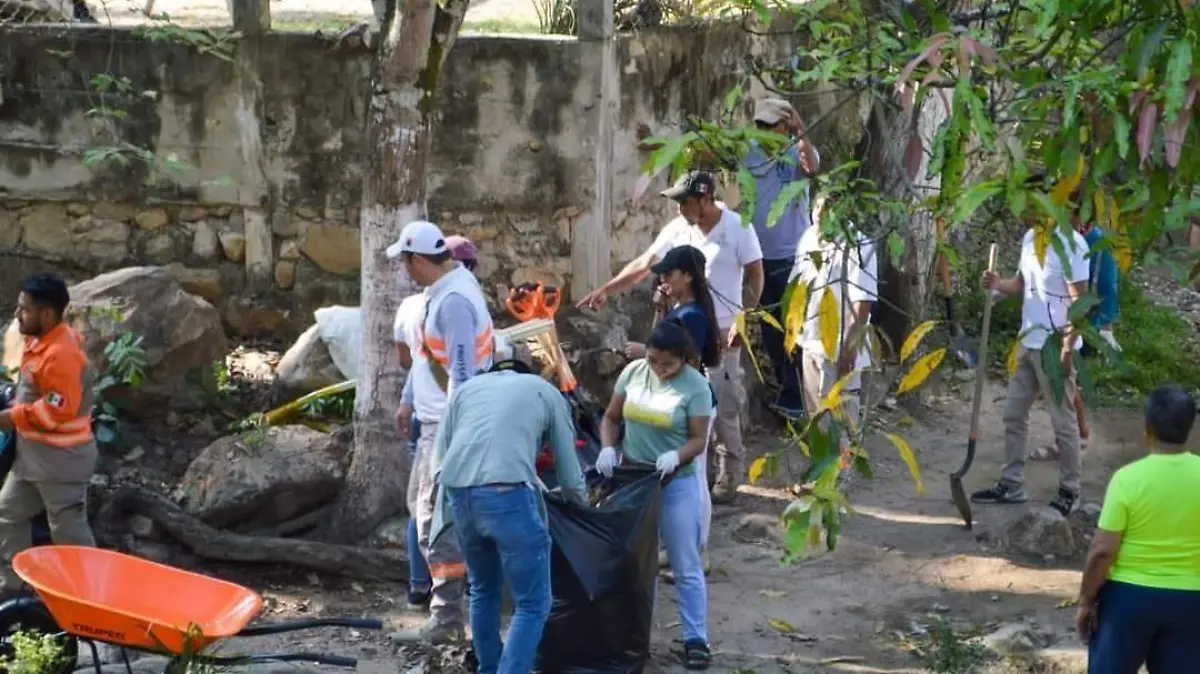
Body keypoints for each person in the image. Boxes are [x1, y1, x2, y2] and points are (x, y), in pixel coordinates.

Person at [578, 171, 764, 504]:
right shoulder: (679, 229)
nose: (680, 210)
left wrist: (743, 317)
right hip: (683, 331)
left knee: (724, 404)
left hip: (722, 331)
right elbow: (644, 262)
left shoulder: (737, 226)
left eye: (686, 202)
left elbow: (756, 275)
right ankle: (698, 472)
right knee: (688, 404)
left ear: (705, 198)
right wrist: (608, 289)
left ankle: (728, 474)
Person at [430, 341, 588, 674]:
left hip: (459, 495)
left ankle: (489, 668)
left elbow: (440, 458)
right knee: (532, 603)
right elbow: (570, 471)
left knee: (484, 590)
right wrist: (584, 508)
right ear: (526, 372)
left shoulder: (467, 390)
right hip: (507, 496)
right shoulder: (545, 391)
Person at [388, 222, 495, 645]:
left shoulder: (452, 301)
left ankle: (447, 618)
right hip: (433, 423)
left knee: (436, 522)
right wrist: (408, 399)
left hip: (448, 426)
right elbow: (425, 356)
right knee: (422, 515)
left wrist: (453, 436)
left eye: (405, 262)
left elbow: (463, 376)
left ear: (417, 260)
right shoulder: (444, 292)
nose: (405, 271)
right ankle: (447, 608)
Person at [596, 320, 715, 670]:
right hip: (634, 477)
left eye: (667, 364)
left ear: (683, 359)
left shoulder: (696, 387)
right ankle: (627, 634)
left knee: (684, 561)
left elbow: (698, 439)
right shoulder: (634, 373)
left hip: (675, 481)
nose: (659, 369)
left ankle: (696, 638)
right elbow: (611, 418)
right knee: (630, 561)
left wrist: (676, 456)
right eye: (653, 360)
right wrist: (607, 449)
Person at [1075, 385, 1200, 672]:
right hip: (1192, 600)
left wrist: (1085, 601)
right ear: (1190, 427)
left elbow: (1102, 551)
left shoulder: (1127, 479)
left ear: (1147, 427)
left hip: (1127, 601)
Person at [973, 225, 1089, 516]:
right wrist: (999, 283)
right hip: (1028, 341)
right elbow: (1023, 285)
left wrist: (1066, 348)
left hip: (1054, 345)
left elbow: (1080, 305)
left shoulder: (1074, 245)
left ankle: (1070, 490)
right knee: (1013, 413)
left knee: (1063, 422)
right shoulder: (1030, 237)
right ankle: (1012, 483)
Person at [0, 274, 97, 599]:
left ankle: (88, 599)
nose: (17, 314)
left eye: (24, 309)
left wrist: (11, 417)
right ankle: (15, 589)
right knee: (7, 514)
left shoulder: (61, 354)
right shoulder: (41, 342)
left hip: (61, 464)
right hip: (32, 461)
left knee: (68, 532)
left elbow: (59, 409)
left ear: (46, 314)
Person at [624, 244, 721, 568]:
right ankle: (684, 546)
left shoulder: (691, 316)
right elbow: (663, 340)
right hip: (678, 403)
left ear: (688, 276)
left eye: (669, 273)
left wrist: (641, 352)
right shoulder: (681, 310)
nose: (663, 278)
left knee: (693, 479)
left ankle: (696, 550)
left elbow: (684, 359)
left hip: (691, 405)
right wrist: (662, 308)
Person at [745, 98, 821, 419]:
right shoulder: (747, 151)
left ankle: (804, 396)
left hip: (795, 258)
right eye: (760, 125)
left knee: (798, 329)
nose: (764, 131)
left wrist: (800, 130)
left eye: (771, 125)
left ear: (785, 126)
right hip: (761, 259)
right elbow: (708, 154)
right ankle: (788, 391)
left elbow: (813, 167)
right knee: (772, 332)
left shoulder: (798, 153)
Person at [1032, 215, 1121, 461]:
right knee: (1065, 382)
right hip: (1059, 320)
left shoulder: (1095, 244)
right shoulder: (1059, 238)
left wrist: (1106, 326)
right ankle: (1079, 434)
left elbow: (1108, 286)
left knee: (1064, 381)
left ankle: (1076, 438)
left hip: (1082, 323)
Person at [788, 210, 878, 434]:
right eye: (815, 211)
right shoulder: (809, 237)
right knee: (817, 423)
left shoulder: (859, 244)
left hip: (840, 348)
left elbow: (862, 302)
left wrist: (849, 349)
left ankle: (844, 469)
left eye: (825, 210)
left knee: (842, 424)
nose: (818, 216)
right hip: (810, 341)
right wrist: (792, 334)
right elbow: (797, 285)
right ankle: (822, 467)